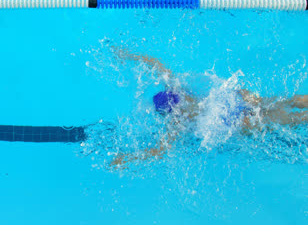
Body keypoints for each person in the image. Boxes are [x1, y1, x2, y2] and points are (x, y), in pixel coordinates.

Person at [110, 46, 308, 166]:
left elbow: (159, 151)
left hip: (232, 121)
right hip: (232, 98)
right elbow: (154, 62)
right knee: (280, 101)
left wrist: (126, 159)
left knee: (290, 120)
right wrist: (127, 55)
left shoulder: (177, 122)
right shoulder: (177, 87)